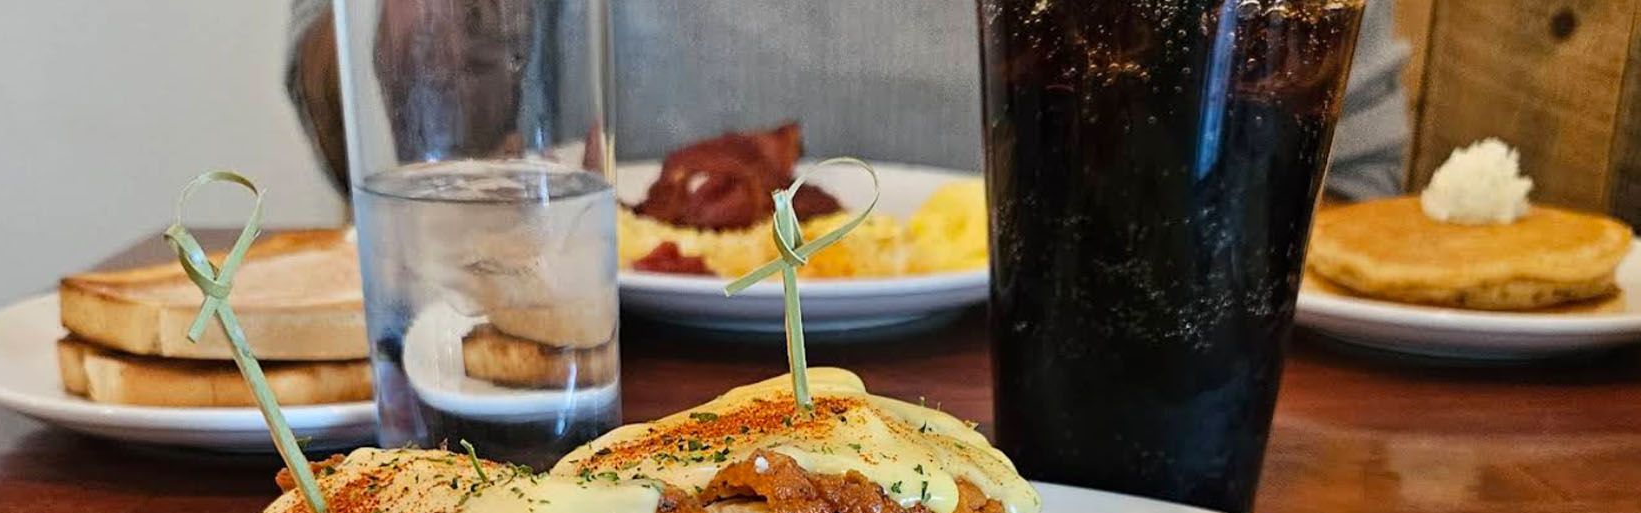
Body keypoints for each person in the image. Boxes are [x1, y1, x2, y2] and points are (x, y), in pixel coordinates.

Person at [287, 0, 1407, 200]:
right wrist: (433, 45)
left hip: (1117, 411)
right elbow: (371, 143)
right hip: (614, 378)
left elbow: (1349, 187)